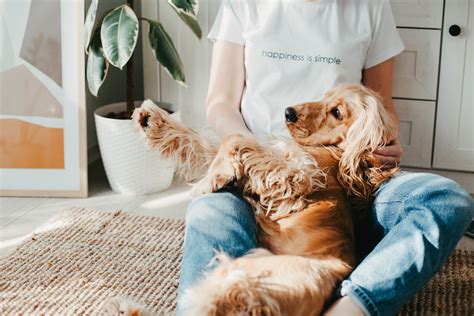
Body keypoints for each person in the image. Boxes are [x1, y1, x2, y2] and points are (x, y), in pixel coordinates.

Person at [176, 0, 473, 315]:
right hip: (258, 180)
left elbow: (382, 105)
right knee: (209, 210)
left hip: (346, 181)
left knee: (447, 199)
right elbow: (221, 103)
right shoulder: (243, 5)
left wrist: (384, 139)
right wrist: (256, 155)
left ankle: (352, 306)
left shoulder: (370, 7)